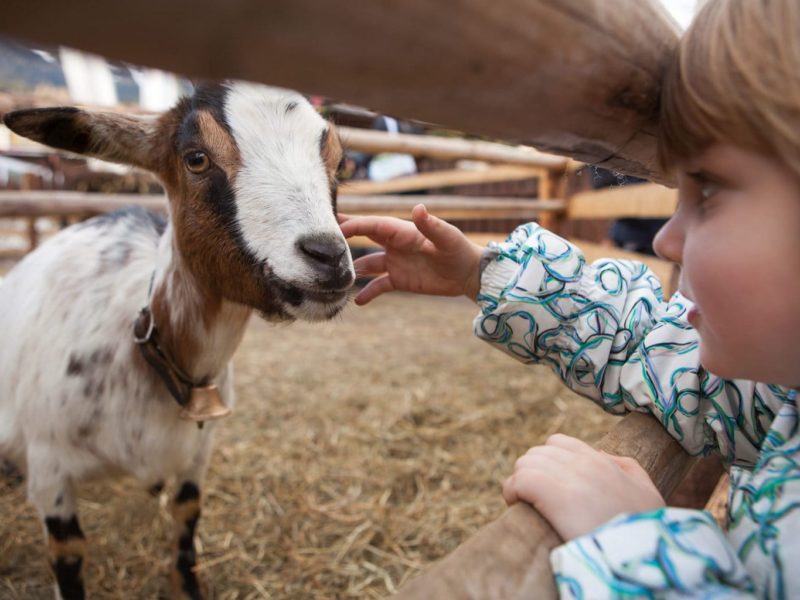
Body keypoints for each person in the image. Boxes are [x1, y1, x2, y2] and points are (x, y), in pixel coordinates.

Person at [338, 0, 800, 596]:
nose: (664, 238)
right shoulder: (781, 389)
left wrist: (643, 549)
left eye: (707, 190)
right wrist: (482, 275)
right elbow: (652, 354)